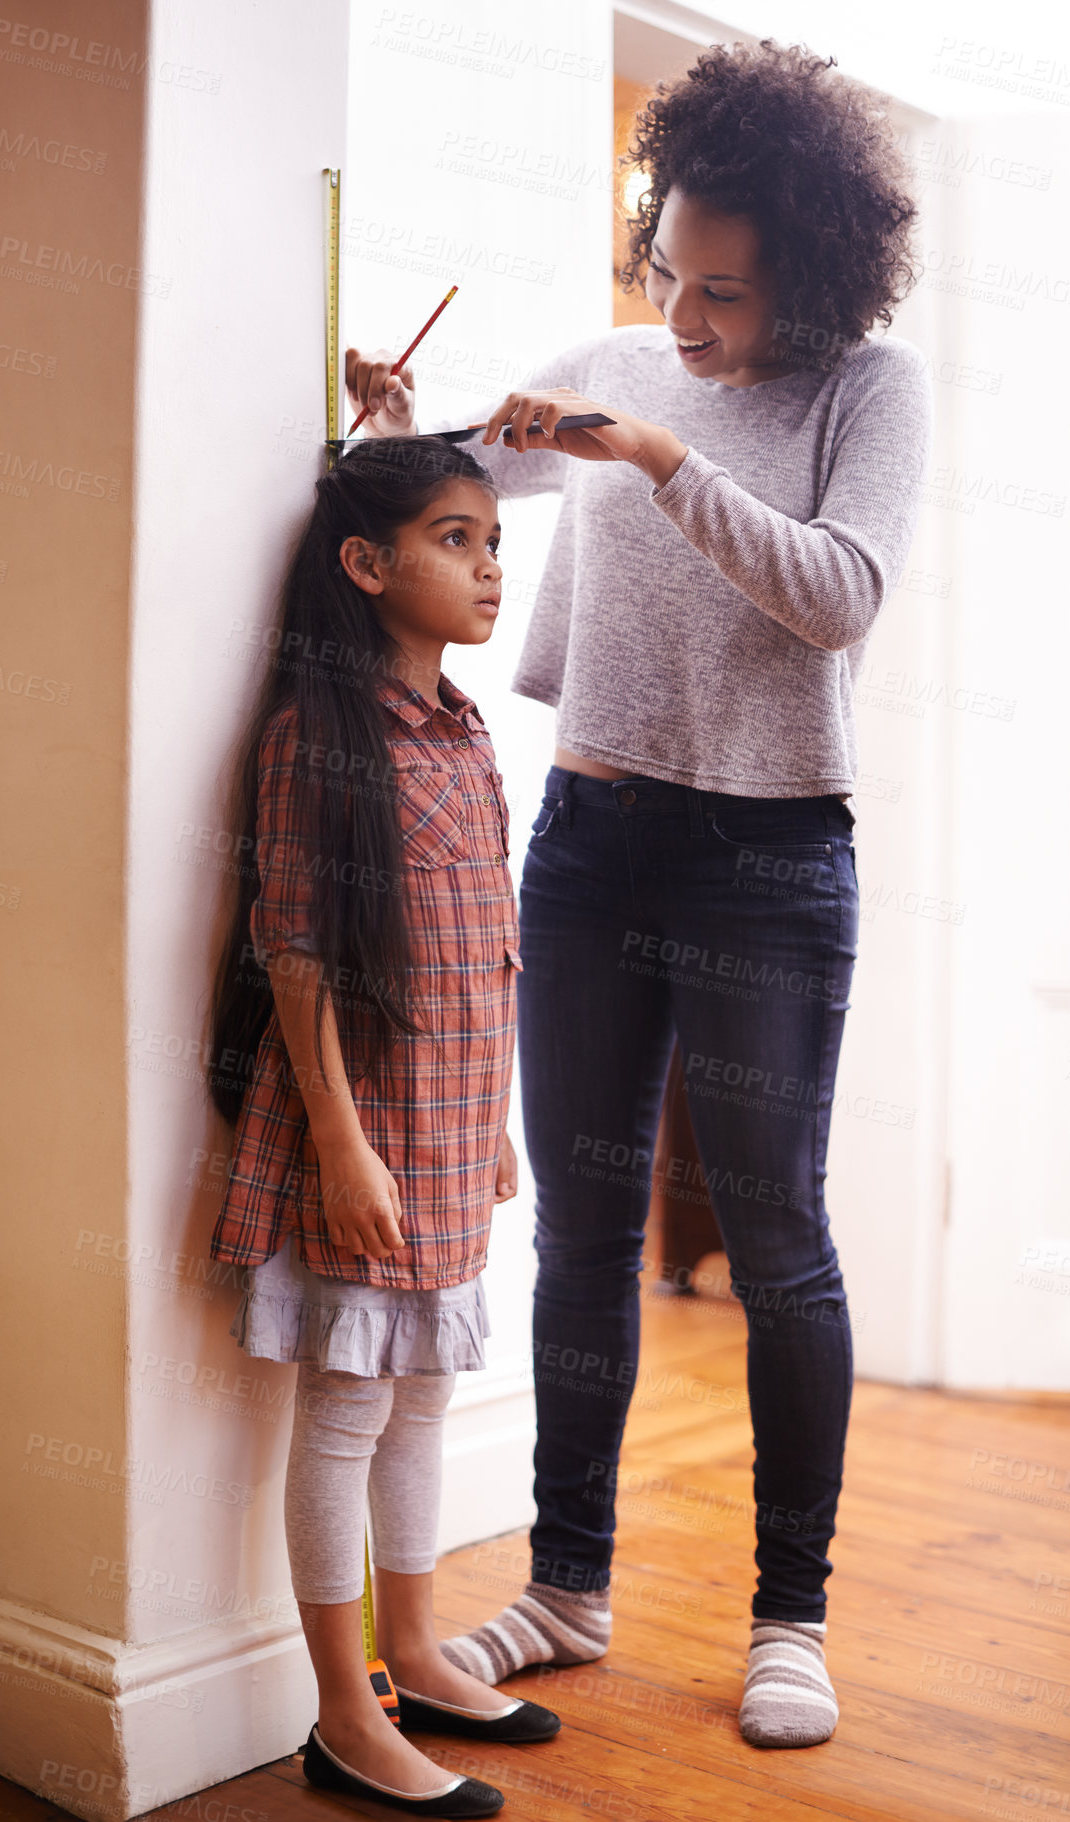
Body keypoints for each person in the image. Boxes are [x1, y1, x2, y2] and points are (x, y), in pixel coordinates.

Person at [344, 38, 934, 1750]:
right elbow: (443, 489)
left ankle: (788, 1615)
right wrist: (396, 420)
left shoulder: (864, 393)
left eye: (724, 296)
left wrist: (661, 455)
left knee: (777, 1243)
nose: (682, 322)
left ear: (808, 279)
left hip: (768, 861)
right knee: (586, 1233)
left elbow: (837, 597)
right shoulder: (613, 355)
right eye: (667, 272)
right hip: (595, 844)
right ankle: (570, 1582)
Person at [204, 436, 562, 1818]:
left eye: (488, 538)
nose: (489, 564)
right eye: (455, 539)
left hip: (456, 1115)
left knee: (422, 1395)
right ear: (366, 566)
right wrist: (344, 1146)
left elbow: (491, 950)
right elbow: (293, 952)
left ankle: (415, 1650)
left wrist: (496, 1124)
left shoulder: (465, 727)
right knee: (348, 1403)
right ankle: (342, 1717)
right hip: (361, 1132)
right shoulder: (318, 734)